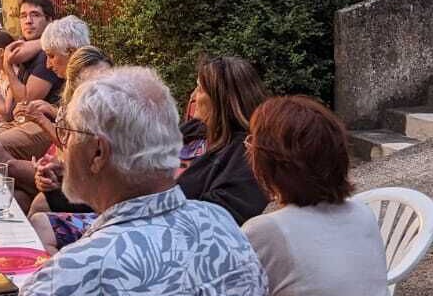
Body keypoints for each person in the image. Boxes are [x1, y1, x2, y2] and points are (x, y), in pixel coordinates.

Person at [20, 67, 267, 296]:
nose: (63, 142)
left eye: (67, 132)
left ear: (98, 153)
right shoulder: (222, 224)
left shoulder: (67, 277)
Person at [242, 96, 389, 296]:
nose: (248, 148)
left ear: (272, 161)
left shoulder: (264, 231)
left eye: (252, 142)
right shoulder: (363, 212)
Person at [0, 13, 88, 209]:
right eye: (23, 16)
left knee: (3, 161)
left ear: (72, 52)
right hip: (64, 162)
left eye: (52, 56)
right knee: (16, 196)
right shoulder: (74, 83)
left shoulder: (89, 87)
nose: (48, 64)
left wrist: (41, 118)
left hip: (82, 180)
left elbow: (73, 145)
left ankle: (42, 195)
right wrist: (50, 110)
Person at [26, 45, 112, 253]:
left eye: (105, 80)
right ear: (74, 88)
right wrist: (57, 171)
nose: (98, 90)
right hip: (93, 191)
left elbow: (114, 177)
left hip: (111, 202)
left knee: (38, 217)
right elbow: (79, 162)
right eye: (89, 84)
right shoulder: (73, 114)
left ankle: (59, 277)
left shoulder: (117, 116)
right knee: (38, 201)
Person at [177, 55, 270, 225]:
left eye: (200, 88)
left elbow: (219, 218)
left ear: (222, 99)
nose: (193, 96)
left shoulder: (246, 157)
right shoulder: (191, 131)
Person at [2, 0, 64, 106]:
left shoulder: (49, 54)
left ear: (49, 20)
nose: (28, 21)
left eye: (35, 15)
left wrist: (8, 67)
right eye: (23, 16)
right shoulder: (25, 47)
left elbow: (26, 102)